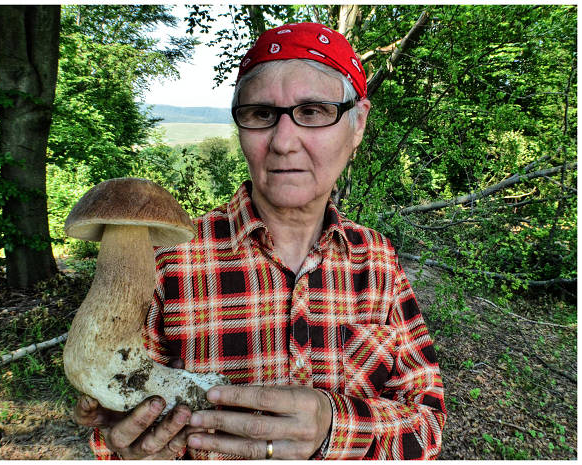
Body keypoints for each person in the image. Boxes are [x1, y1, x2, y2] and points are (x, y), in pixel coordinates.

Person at [74, 22, 446, 460]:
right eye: (260, 114)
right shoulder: (168, 261)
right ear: (241, 127)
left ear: (358, 124)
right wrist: (127, 449)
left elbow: (428, 421)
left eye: (313, 111)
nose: (284, 142)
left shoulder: (379, 263)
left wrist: (335, 425)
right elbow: (112, 437)